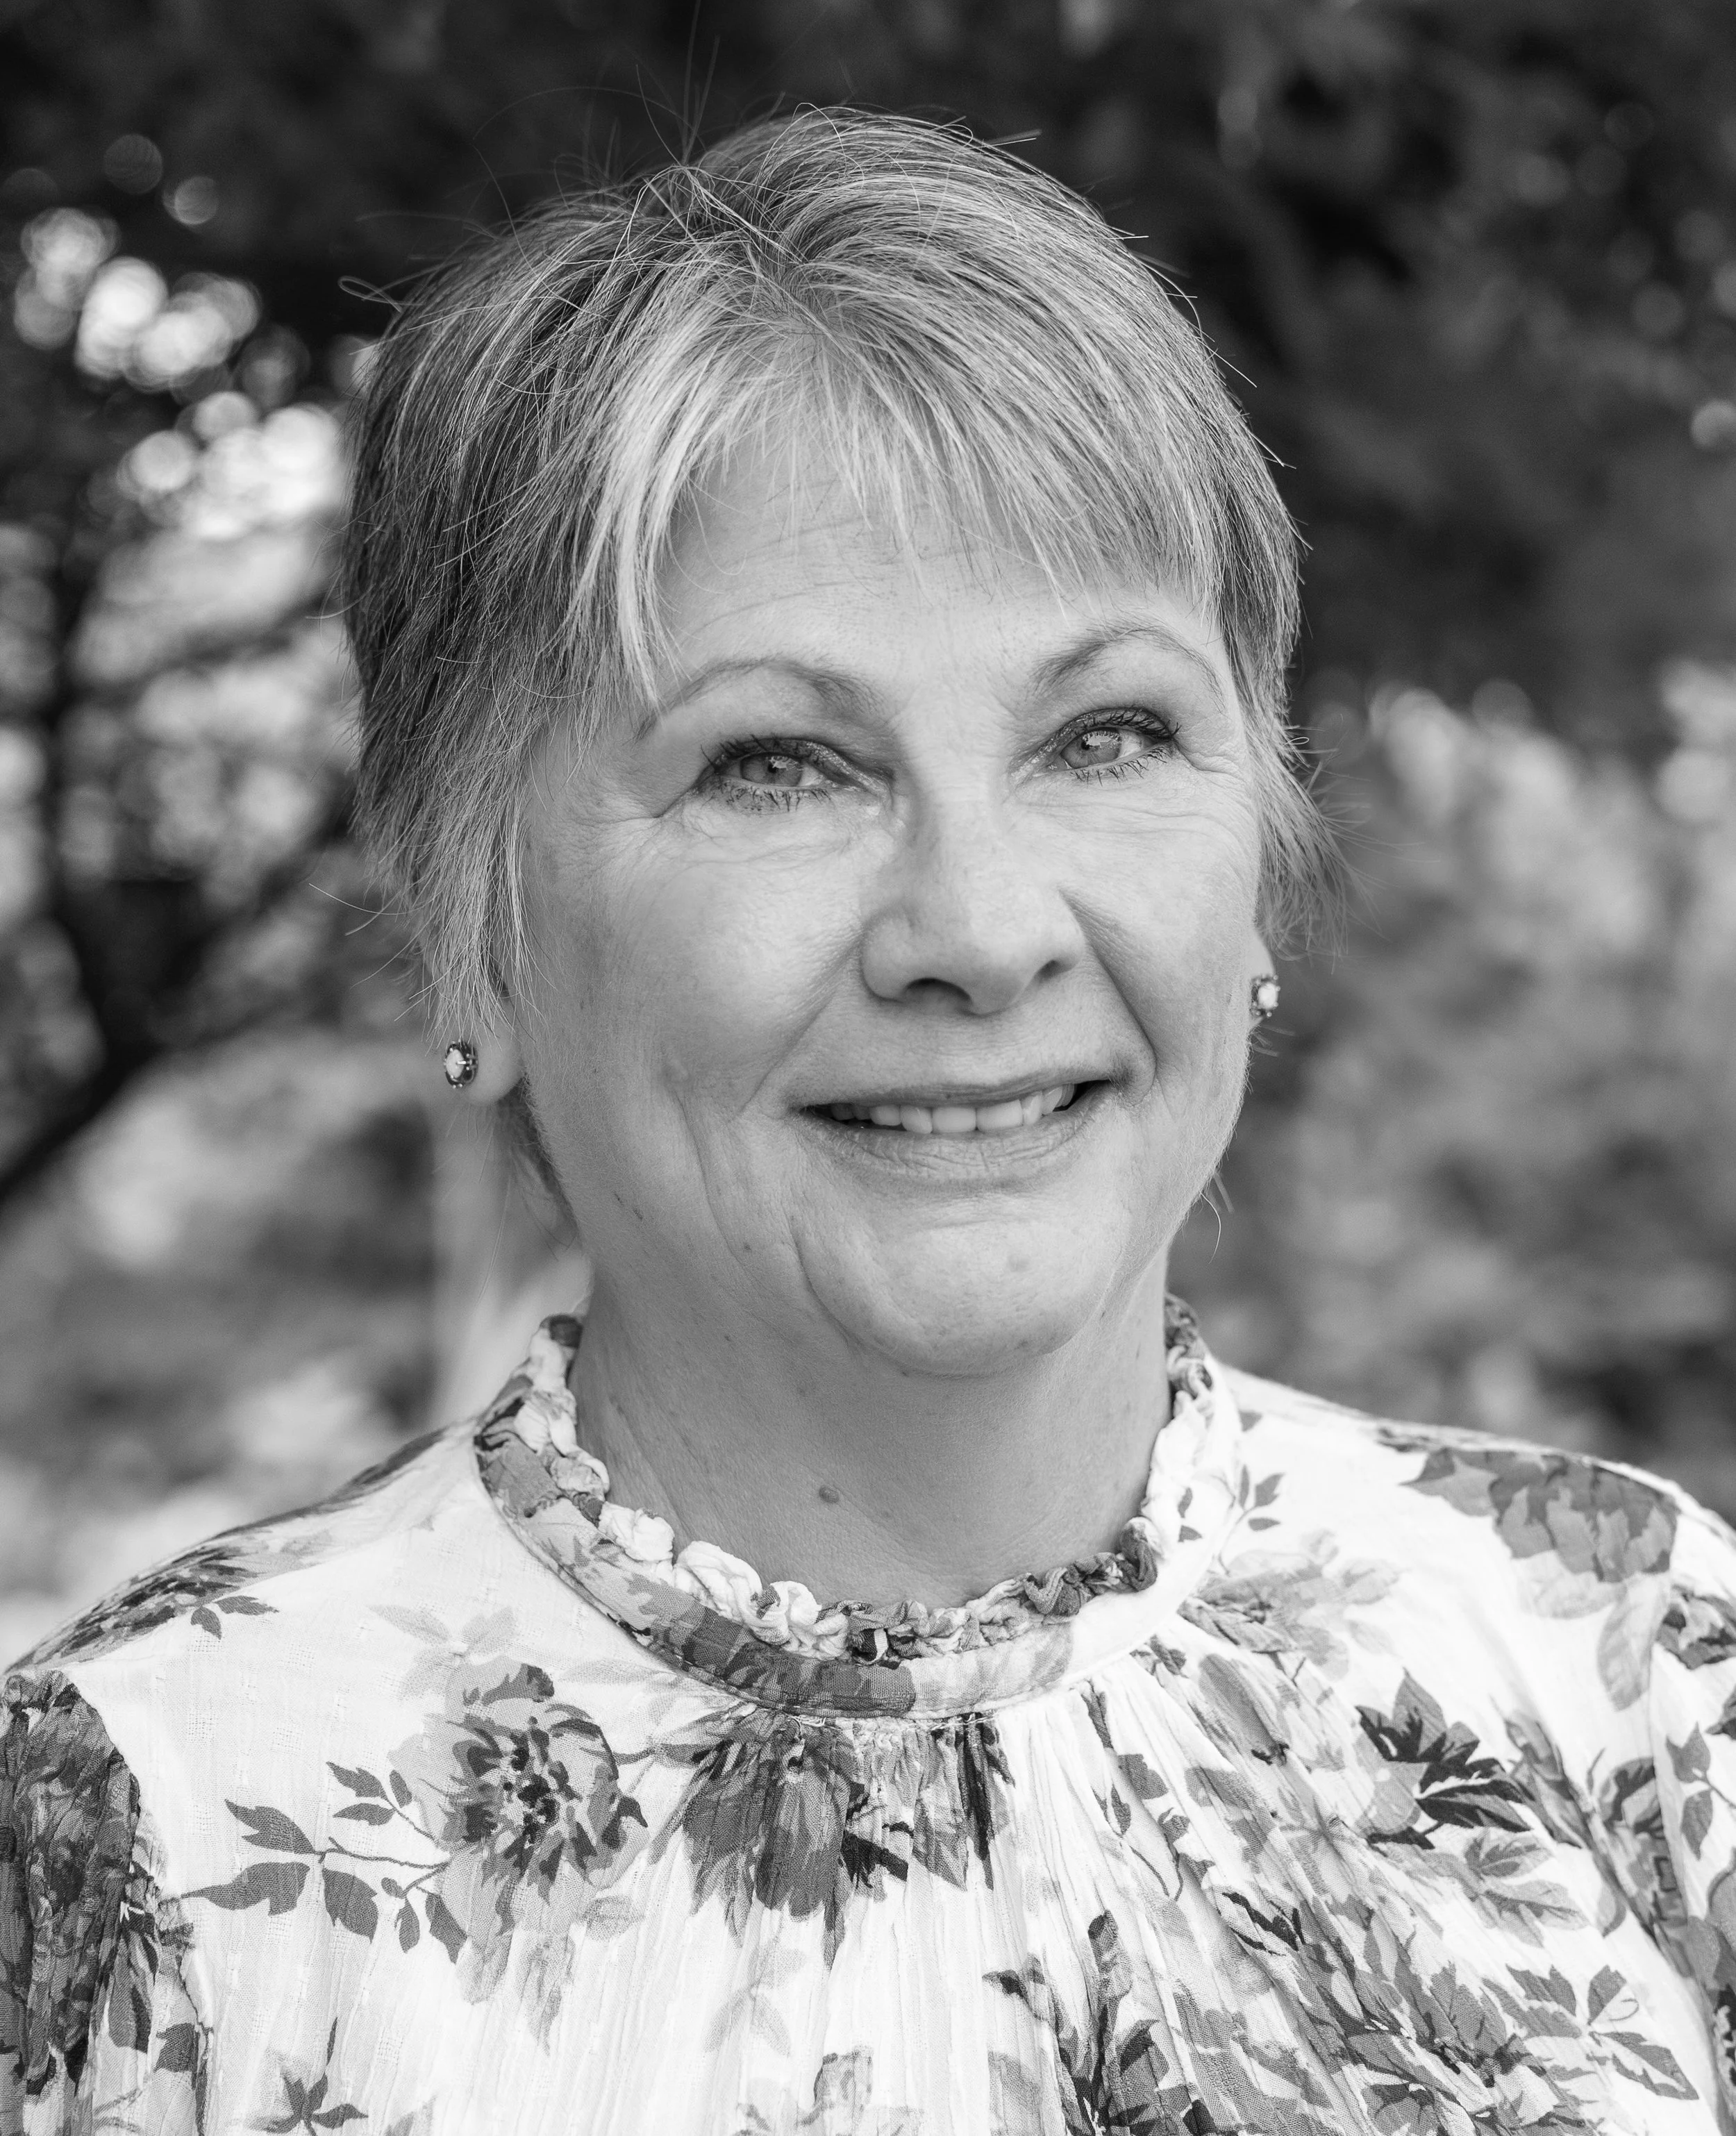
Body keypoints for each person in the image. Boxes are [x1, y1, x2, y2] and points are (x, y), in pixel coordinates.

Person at [3, 109, 1735, 2136]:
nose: (980, 933)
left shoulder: (1642, 1667)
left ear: (1255, 856)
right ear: (471, 928)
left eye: (1105, 733)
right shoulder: (143, 1835)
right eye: (775, 766)